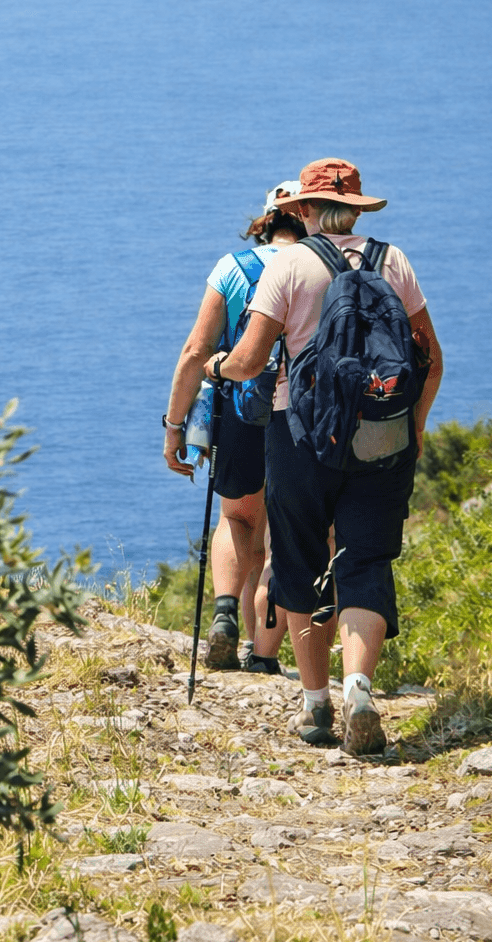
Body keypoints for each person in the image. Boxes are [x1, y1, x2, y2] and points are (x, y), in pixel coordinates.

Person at [203, 158, 444, 755]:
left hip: (300, 436)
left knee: (301, 559)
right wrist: (411, 428)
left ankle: (316, 706)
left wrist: (217, 367)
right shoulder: (395, 261)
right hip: (382, 437)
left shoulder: (289, 263)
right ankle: (359, 686)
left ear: (304, 210)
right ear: (358, 208)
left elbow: (252, 359)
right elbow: (430, 357)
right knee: (365, 560)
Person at [163, 180, 305, 673]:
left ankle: (224, 613)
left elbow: (195, 352)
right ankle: (263, 656)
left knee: (238, 519)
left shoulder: (232, 268)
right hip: (304, 419)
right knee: (288, 537)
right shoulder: (323, 268)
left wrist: (174, 427)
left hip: (241, 411)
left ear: (267, 219)